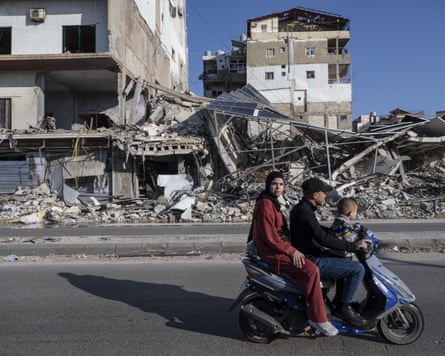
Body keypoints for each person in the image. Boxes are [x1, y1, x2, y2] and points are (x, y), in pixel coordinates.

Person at [250, 171, 338, 336]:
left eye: (281, 184)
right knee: (311, 271)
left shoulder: (273, 201)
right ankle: (318, 318)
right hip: (272, 251)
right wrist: (291, 251)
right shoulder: (265, 204)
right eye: (274, 184)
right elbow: (271, 237)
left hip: (278, 247)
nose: (278, 187)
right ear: (268, 185)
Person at [290, 177, 368, 327]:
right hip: (312, 259)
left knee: (346, 262)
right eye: (323, 193)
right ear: (315, 195)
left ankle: (339, 303)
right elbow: (322, 239)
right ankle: (345, 308)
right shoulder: (304, 212)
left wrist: (335, 234)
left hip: (312, 254)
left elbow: (317, 230)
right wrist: (352, 246)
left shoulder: (303, 209)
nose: (325, 196)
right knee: (358, 269)